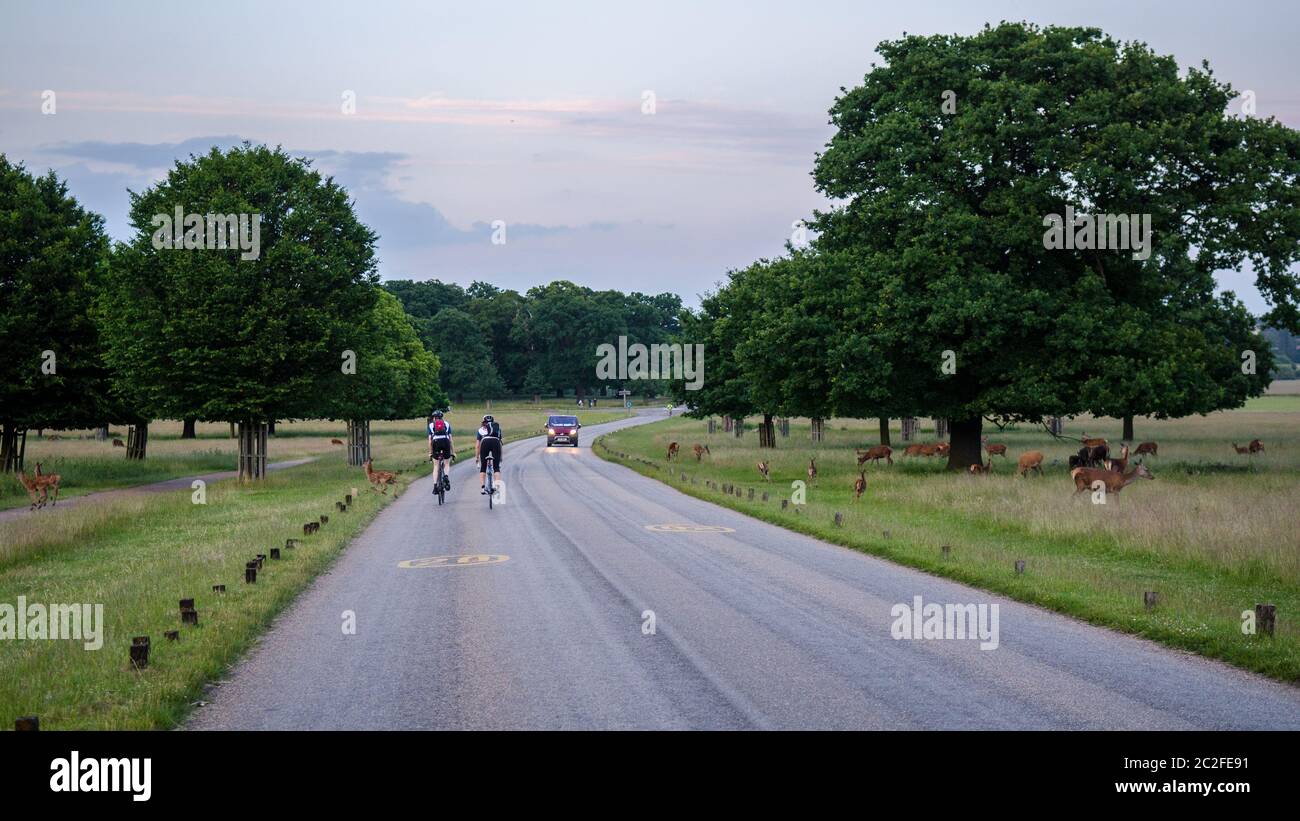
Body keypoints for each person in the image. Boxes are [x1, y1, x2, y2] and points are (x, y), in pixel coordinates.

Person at [475, 414, 503, 495]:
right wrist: (500, 457)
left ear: (484, 422)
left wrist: (477, 458)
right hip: (496, 442)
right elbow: (501, 445)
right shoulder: (498, 429)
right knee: (496, 468)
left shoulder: (480, 430)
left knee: (483, 467)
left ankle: (483, 488)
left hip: (485, 442)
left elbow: (477, 446)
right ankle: (497, 488)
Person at [427, 411, 454, 491]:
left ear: (434, 418)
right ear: (442, 417)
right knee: (446, 463)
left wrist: (430, 452)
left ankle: (435, 486)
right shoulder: (446, 424)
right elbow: (451, 439)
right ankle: (445, 476)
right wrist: (453, 452)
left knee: (436, 466)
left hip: (436, 442)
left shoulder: (431, 425)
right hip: (445, 441)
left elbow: (429, 441)